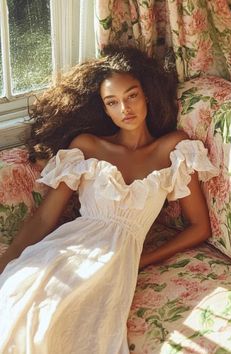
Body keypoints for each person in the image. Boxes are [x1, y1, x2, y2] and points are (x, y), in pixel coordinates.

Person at [0, 46, 218, 353]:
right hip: (65, 250)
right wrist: (5, 263)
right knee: (25, 308)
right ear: (104, 109)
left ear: (147, 95)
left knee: (71, 330)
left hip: (117, 263)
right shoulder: (87, 146)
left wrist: (141, 259)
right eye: (112, 102)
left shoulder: (174, 148)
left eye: (132, 95)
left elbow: (199, 228)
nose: (124, 108)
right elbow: (44, 218)